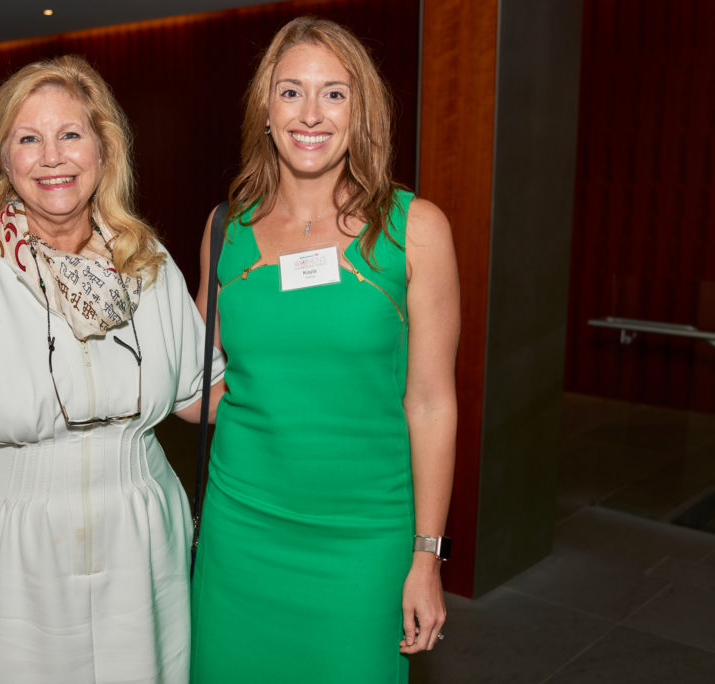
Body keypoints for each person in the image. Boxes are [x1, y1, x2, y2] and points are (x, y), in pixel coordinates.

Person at [0, 55, 223, 684]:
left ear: (102, 148)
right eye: (28, 139)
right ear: (4, 159)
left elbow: (199, 394)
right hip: (10, 547)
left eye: (70, 134)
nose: (52, 157)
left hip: (142, 537)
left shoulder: (148, 267)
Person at [190, 17, 459, 683]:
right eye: (291, 92)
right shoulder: (227, 228)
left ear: (359, 110)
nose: (311, 114)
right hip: (241, 532)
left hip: (364, 542)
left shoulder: (414, 229)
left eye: (334, 94)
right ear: (265, 107)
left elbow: (430, 404)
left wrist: (427, 556)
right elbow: (195, 383)